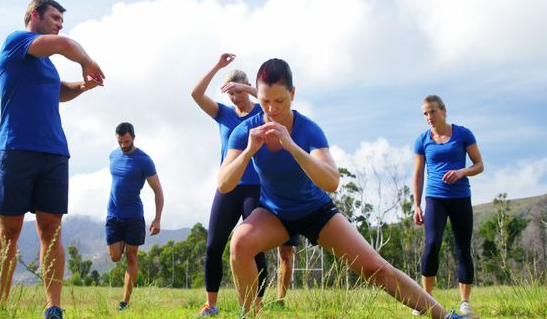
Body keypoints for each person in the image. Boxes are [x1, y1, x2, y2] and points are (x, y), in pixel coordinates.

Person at [218, 58, 468, 319]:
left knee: (375, 268)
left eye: (279, 101)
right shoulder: (246, 131)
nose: (272, 109)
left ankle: (445, 316)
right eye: (265, 101)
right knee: (240, 244)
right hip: (274, 213)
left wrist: (290, 145)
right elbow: (224, 184)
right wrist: (248, 152)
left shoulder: (309, 130)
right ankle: (250, 315)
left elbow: (331, 181)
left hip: (316, 211)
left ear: (292, 94)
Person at [0, 0, 105, 319]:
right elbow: (66, 44)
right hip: (16, 148)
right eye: (54, 17)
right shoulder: (16, 43)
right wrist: (87, 61)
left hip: (54, 151)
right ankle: (0, 306)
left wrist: (82, 86)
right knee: (9, 229)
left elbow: (59, 91)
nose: (59, 23)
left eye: (61, 20)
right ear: (34, 15)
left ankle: (53, 307)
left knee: (51, 228)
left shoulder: (45, 64)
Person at [191, 53, 299, 316]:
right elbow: (195, 94)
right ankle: (211, 304)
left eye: (238, 92)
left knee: (254, 245)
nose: (236, 98)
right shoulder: (223, 114)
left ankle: (256, 305)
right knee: (213, 244)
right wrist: (217, 66)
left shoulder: (264, 111)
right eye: (231, 94)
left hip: (256, 187)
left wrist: (246, 87)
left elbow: (269, 96)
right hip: (228, 187)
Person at [412, 95, 484, 317]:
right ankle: (426, 300)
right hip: (435, 198)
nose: (429, 117)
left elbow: (479, 165)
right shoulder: (422, 139)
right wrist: (416, 205)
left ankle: (465, 303)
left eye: (432, 111)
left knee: (463, 246)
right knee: (432, 244)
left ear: (443, 111)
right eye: (425, 113)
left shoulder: (463, 134)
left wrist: (462, 172)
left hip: (461, 197)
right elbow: (418, 174)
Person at [106, 122, 164, 312]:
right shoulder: (113, 155)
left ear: (133, 137)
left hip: (133, 216)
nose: (123, 145)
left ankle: (125, 302)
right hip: (113, 214)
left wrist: (157, 219)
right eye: (120, 141)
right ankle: (121, 245)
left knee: (131, 258)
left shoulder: (144, 160)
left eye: (126, 141)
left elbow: (158, 191)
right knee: (115, 256)